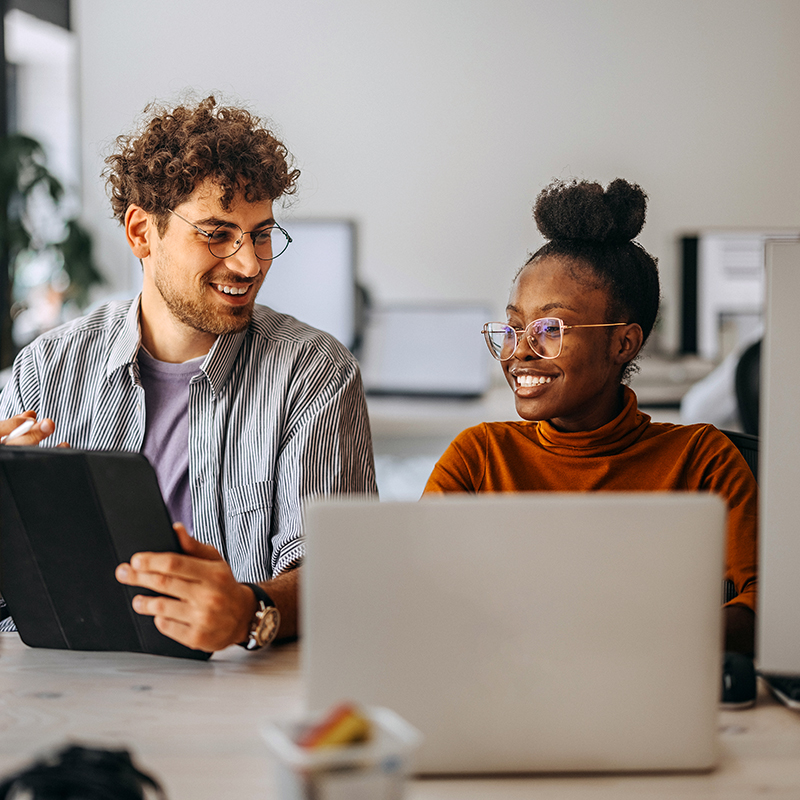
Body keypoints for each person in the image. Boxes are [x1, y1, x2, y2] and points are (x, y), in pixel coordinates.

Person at [0, 96, 376, 652]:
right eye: (217, 233)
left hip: (234, 692)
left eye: (262, 233)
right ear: (141, 233)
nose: (249, 264)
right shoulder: (46, 367)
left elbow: (343, 576)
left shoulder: (313, 372)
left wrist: (251, 610)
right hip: (63, 679)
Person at [424, 178, 757, 656]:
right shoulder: (478, 457)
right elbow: (416, 596)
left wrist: (636, 642)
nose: (521, 351)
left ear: (624, 343)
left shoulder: (702, 460)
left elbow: (763, 606)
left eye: (550, 329)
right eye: (515, 327)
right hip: (505, 692)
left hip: (649, 695)